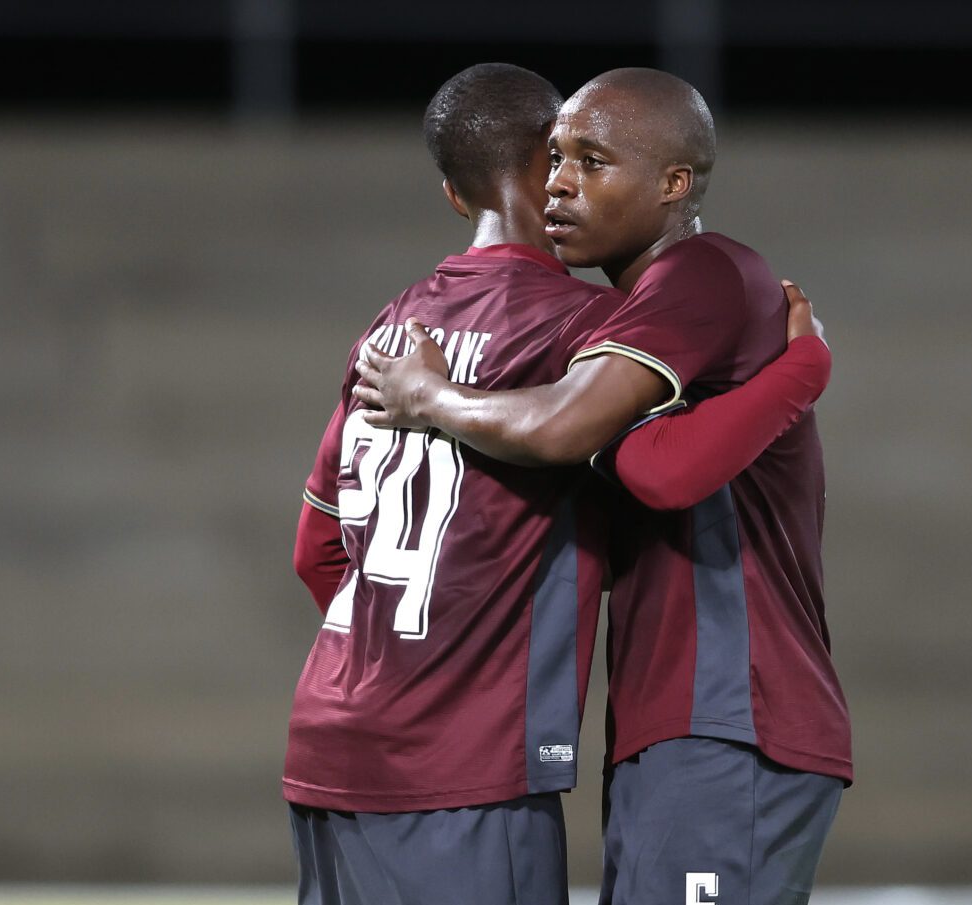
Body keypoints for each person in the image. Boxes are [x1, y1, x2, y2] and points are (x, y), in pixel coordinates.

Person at [287, 63, 832, 905]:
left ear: (452, 191)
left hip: (725, 711)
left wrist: (407, 663)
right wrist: (804, 369)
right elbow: (626, 454)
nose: (566, 183)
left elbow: (320, 550)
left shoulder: (390, 334)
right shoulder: (590, 327)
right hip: (560, 739)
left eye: (591, 160)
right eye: (561, 159)